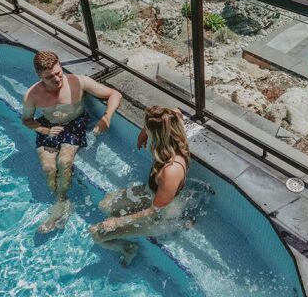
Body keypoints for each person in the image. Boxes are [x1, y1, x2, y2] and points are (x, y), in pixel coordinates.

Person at [22, 51, 122, 233]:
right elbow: (27, 120)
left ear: (61, 66)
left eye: (58, 73)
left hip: (74, 124)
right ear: (39, 76)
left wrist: (106, 117)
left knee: (65, 161)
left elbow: (114, 94)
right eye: (49, 77)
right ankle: (63, 201)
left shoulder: (78, 82)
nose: (56, 79)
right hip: (49, 126)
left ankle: (61, 201)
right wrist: (44, 130)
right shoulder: (32, 94)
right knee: (48, 168)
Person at [89, 106, 191, 266]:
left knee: (97, 234)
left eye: (147, 129)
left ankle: (128, 249)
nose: (145, 130)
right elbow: (175, 110)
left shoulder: (171, 171)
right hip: (150, 194)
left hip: (162, 216)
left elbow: (154, 212)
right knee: (105, 204)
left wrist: (118, 222)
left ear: (157, 134)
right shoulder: (173, 125)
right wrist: (143, 132)